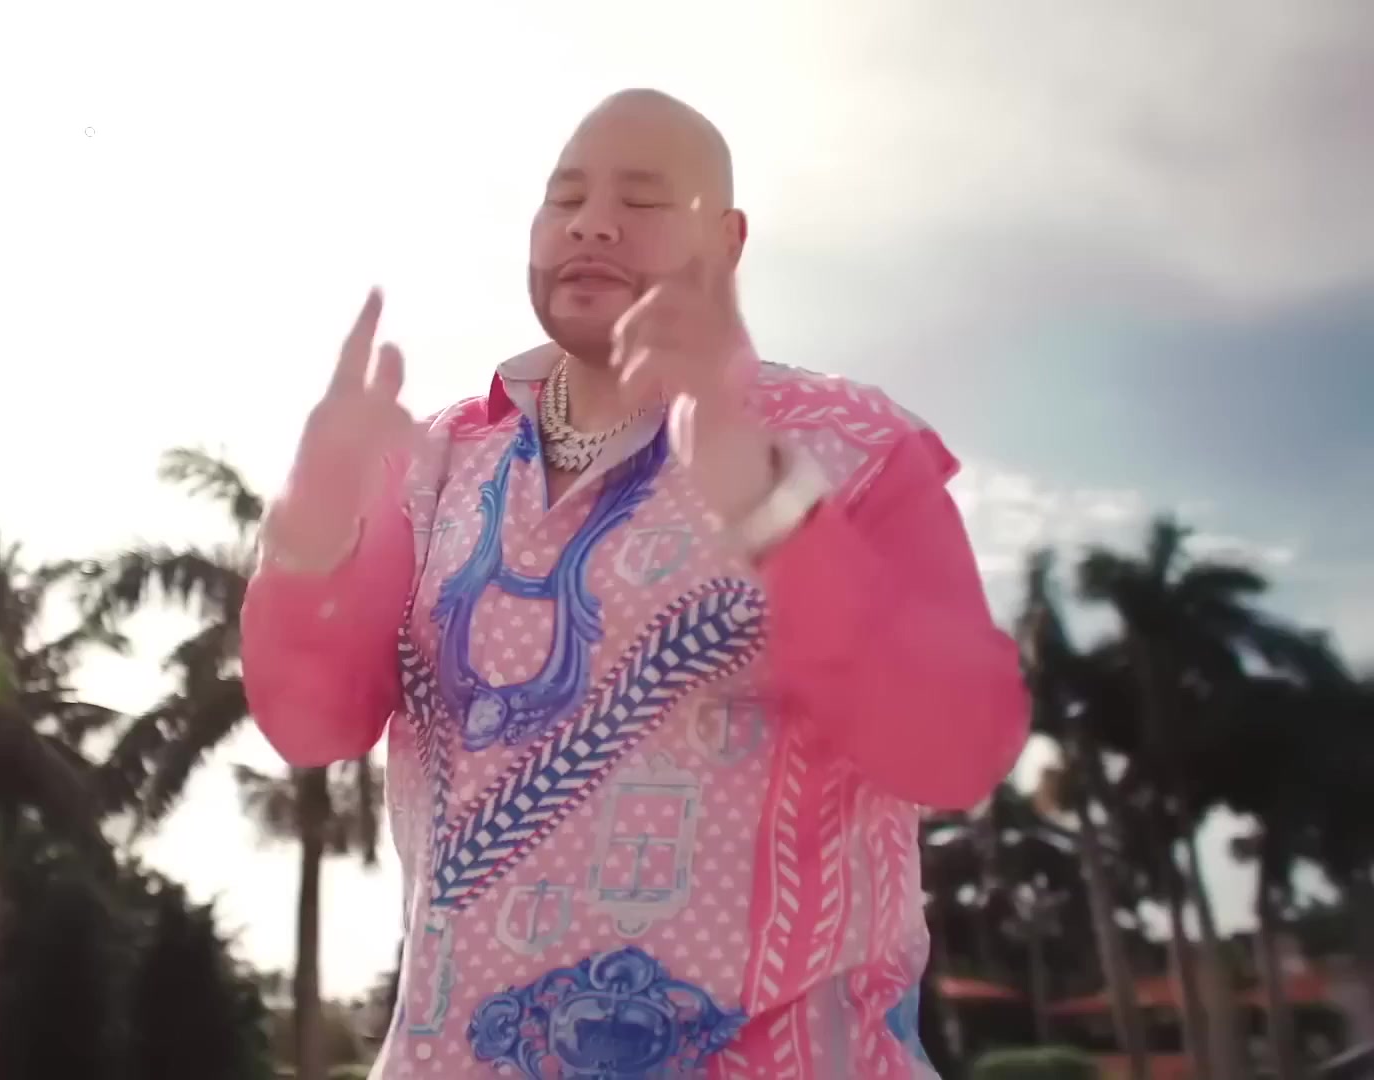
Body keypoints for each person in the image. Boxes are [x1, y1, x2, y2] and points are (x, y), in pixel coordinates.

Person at [241, 89, 1028, 1079]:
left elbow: (954, 751)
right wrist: (309, 532)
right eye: (565, 197)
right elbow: (312, 726)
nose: (593, 223)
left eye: (643, 199)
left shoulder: (854, 448)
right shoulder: (439, 461)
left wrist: (773, 510)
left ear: (727, 242)